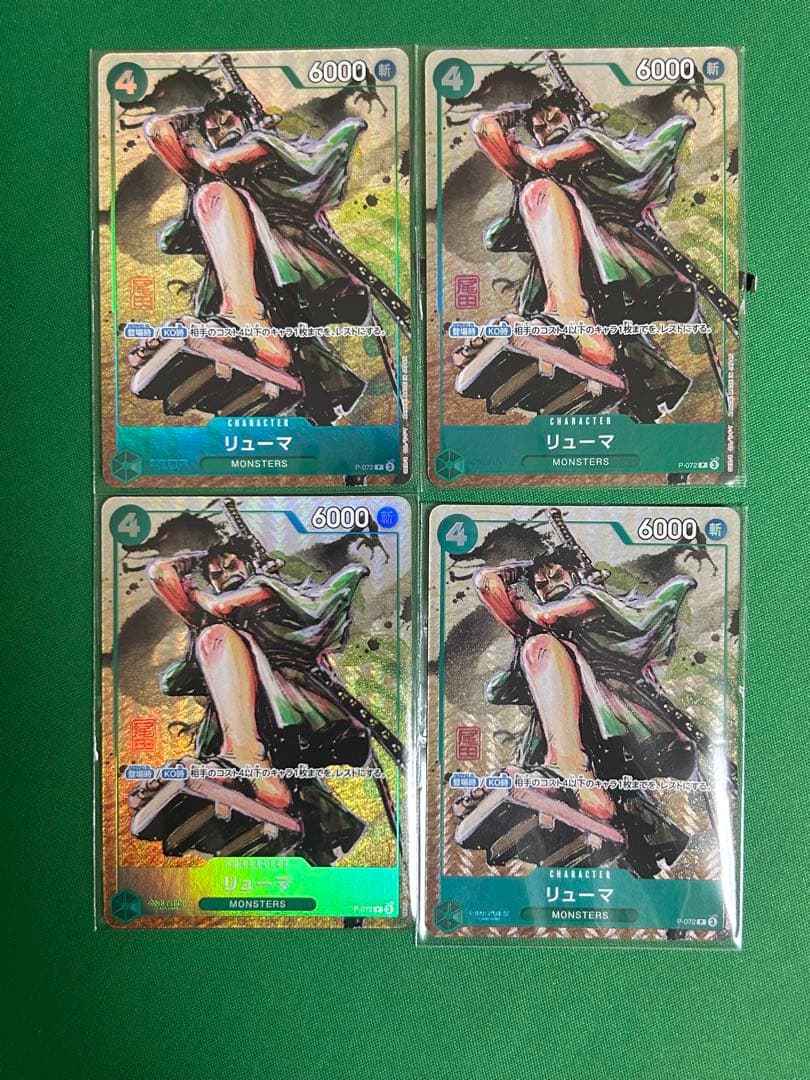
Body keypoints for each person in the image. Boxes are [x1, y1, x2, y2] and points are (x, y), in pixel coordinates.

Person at [136, 91, 387, 419]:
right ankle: (249, 335)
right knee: (210, 193)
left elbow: (218, 163)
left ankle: (246, 321)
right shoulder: (216, 181)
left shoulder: (264, 144)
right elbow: (157, 131)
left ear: (247, 120)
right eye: (213, 131)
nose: (221, 132)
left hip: (295, 261)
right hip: (252, 272)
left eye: (228, 121)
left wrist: (198, 146)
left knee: (212, 194)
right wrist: (193, 117)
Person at [470, 88, 698, 372]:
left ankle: (570, 317)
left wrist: (517, 146)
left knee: (539, 190)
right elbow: (484, 127)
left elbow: (545, 160)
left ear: (573, 117)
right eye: (540, 128)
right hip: (572, 265)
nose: (549, 129)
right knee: (536, 190)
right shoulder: (542, 178)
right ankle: (582, 335)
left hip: (616, 254)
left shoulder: (589, 141)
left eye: (556, 119)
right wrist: (523, 113)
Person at [473, 545, 698, 826]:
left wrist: (518, 601)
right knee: (538, 645)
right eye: (541, 585)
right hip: (582, 726)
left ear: (573, 574)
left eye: (557, 575)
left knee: (540, 645)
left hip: (631, 725)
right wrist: (526, 567)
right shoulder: (544, 632)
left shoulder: (589, 597)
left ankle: (571, 771)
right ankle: (578, 785)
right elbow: (486, 583)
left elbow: (545, 616)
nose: (551, 585)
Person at [145, 535, 372, 811]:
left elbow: (220, 606)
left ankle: (248, 760)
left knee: (215, 635)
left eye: (232, 565)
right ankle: (246, 772)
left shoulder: (266, 587)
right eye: (216, 575)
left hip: (289, 699)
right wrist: (201, 557)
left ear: (250, 564)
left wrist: (193, 594)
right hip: (243, 706)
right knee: (213, 635)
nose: (225, 576)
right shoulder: (215, 620)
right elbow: (160, 573)